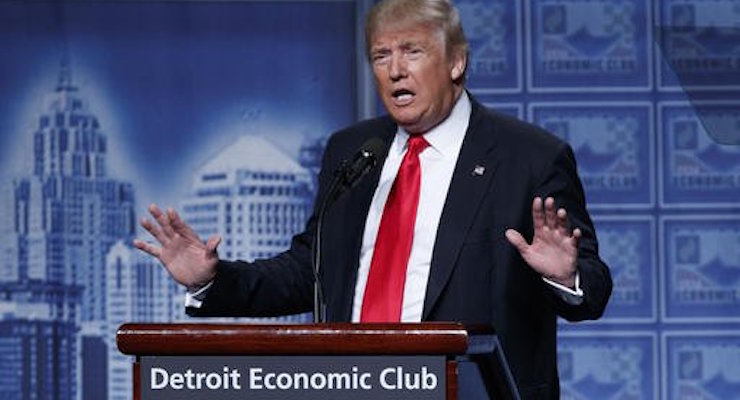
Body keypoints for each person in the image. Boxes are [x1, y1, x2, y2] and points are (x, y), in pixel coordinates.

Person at [134, 0, 612, 398]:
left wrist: (567, 275)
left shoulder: (528, 156)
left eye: (412, 51)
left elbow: (592, 289)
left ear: (456, 61)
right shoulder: (355, 151)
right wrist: (213, 280)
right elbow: (311, 270)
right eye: (381, 56)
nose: (395, 70)